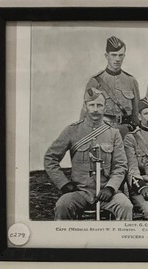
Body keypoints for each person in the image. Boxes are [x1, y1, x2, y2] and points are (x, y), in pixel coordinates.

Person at [45, 88, 132, 220]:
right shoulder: (72, 131)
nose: (95, 109)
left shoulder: (113, 133)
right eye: (91, 105)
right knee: (62, 205)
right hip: (80, 192)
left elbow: (120, 165)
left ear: (105, 107)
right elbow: (50, 158)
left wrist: (110, 188)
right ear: (85, 106)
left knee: (125, 206)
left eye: (99, 105)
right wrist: (63, 184)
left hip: (106, 192)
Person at [80, 36, 140, 138]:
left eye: (121, 55)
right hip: (102, 132)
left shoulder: (131, 81)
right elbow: (85, 112)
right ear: (106, 56)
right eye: (114, 55)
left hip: (125, 133)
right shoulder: (95, 81)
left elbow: (136, 114)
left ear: (124, 56)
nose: (117, 59)